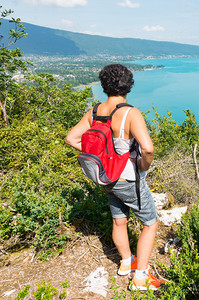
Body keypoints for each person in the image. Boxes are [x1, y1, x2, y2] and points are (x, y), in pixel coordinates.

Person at [65, 64, 164, 291]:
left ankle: (127, 262)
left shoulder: (95, 111)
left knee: (119, 220)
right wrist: (141, 165)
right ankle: (140, 277)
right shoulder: (130, 113)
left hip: (106, 177)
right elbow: (148, 149)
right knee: (150, 223)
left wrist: (100, 155)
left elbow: (71, 139)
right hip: (127, 179)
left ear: (104, 85)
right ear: (129, 85)